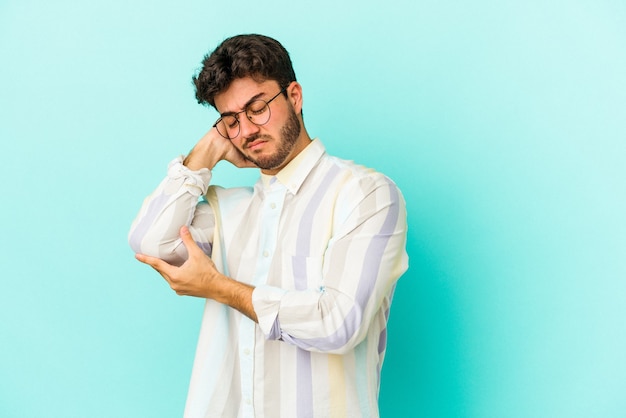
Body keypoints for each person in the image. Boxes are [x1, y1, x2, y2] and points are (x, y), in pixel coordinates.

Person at [128, 34, 408, 418]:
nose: (246, 131)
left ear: (294, 96)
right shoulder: (228, 209)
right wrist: (208, 150)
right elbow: (149, 241)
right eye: (231, 121)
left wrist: (221, 288)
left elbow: (338, 323)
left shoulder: (365, 195)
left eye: (257, 109)